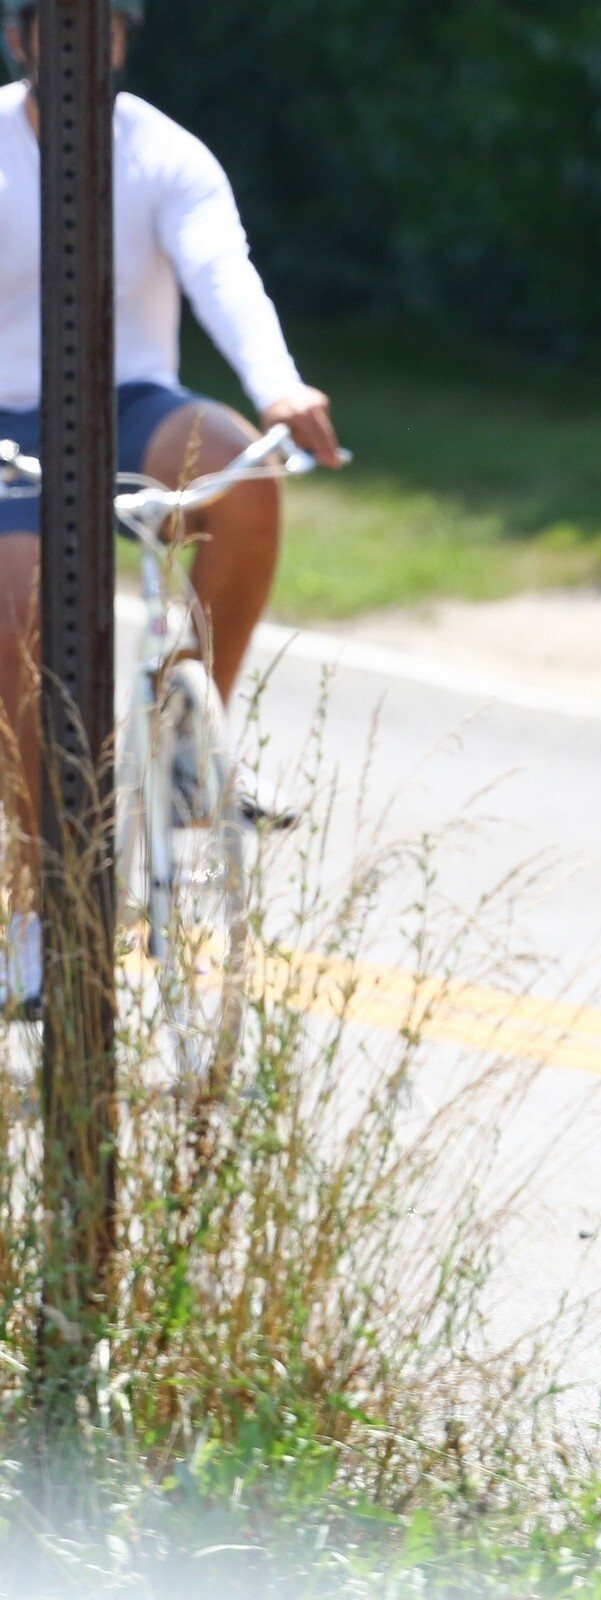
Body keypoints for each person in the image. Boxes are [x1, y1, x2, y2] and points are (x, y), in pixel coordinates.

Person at [0, 0, 338, 1006]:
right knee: (18, 622)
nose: (79, 46)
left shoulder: (163, 152)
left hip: (126, 400)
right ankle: (40, 909)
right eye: (56, 27)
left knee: (243, 473)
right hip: (7, 417)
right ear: (20, 40)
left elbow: (221, 270)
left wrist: (280, 387)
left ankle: (192, 739)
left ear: (119, 39)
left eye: (98, 27)